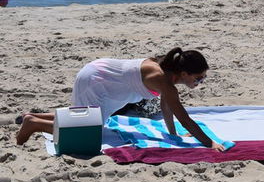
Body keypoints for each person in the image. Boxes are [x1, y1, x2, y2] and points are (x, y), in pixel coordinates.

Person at [16, 48, 225, 150]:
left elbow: (166, 107)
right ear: (184, 73)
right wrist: (209, 143)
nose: (200, 82)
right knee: (89, 132)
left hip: (100, 76)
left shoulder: (165, 74)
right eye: (198, 78)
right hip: (97, 81)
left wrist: (173, 135)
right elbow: (185, 118)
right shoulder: (165, 82)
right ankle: (33, 124)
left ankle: (32, 115)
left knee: (85, 118)